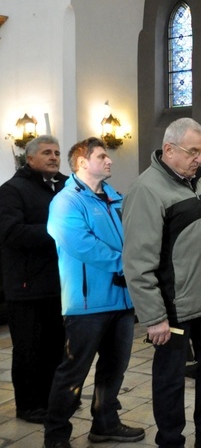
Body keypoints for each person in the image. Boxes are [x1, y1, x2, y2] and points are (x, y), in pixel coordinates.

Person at [123, 118, 201, 448]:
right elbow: (138, 263)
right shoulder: (146, 191)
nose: (200, 158)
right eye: (193, 152)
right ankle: (170, 441)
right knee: (170, 379)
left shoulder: (198, 182)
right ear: (168, 150)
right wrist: (154, 317)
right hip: (173, 308)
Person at [44, 137, 144, 448]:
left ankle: (105, 423)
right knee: (73, 374)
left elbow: (137, 233)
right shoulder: (66, 201)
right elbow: (81, 244)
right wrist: (125, 264)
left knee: (114, 368)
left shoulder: (115, 197)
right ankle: (56, 436)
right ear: (83, 162)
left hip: (122, 300)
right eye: (102, 156)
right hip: (87, 303)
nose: (110, 161)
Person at [0, 135, 67, 424]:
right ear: (29, 159)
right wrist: (57, 231)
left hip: (58, 283)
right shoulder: (12, 191)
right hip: (26, 286)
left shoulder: (64, 187)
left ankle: (51, 400)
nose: (54, 157)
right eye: (47, 153)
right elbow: (11, 232)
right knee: (29, 349)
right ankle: (28, 406)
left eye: (57, 152)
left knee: (55, 346)